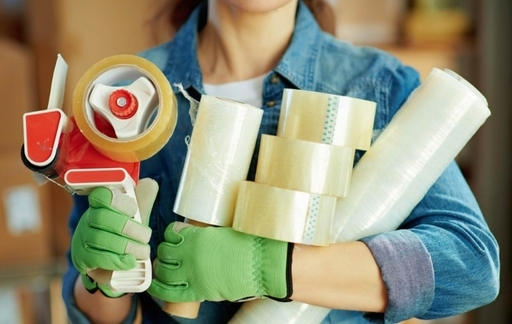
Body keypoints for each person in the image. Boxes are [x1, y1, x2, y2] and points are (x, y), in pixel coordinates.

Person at [61, 0, 500, 323]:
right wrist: (101, 275)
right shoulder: (128, 95)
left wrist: (268, 265)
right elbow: (98, 311)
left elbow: (471, 266)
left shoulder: (377, 87)